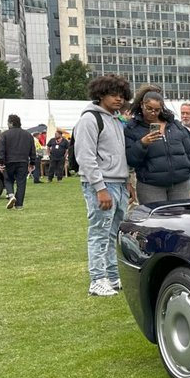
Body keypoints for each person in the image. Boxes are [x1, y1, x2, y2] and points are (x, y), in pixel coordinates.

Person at [75, 74, 133, 296]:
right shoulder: (90, 119)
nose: (118, 99)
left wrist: (127, 183)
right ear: (100, 94)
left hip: (118, 183)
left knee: (113, 233)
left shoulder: (115, 119)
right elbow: (85, 156)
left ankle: (112, 275)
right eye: (113, 95)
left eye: (122, 96)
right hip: (102, 184)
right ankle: (97, 279)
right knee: (99, 232)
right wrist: (100, 188)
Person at [124, 87, 190, 205]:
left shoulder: (175, 125)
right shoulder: (132, 128)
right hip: (151, 186)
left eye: (157, 110)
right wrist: (142, 143)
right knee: (156, 221)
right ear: (141, 105)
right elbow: (131, 160)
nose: (153, 113)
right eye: (149, 109)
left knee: (180, 220)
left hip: (181, 184)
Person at [0, 114, 36, 210]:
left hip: (9, 161)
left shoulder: (5, 134)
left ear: (11, 123)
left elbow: (1, 150)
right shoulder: (28, 135)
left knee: (8, 179)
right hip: (23, 161)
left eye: (8, 122)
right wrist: (32, 162)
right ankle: (19, 205)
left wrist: (1, 163)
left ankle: (10, 195)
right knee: (21, 183)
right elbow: (32, 150)